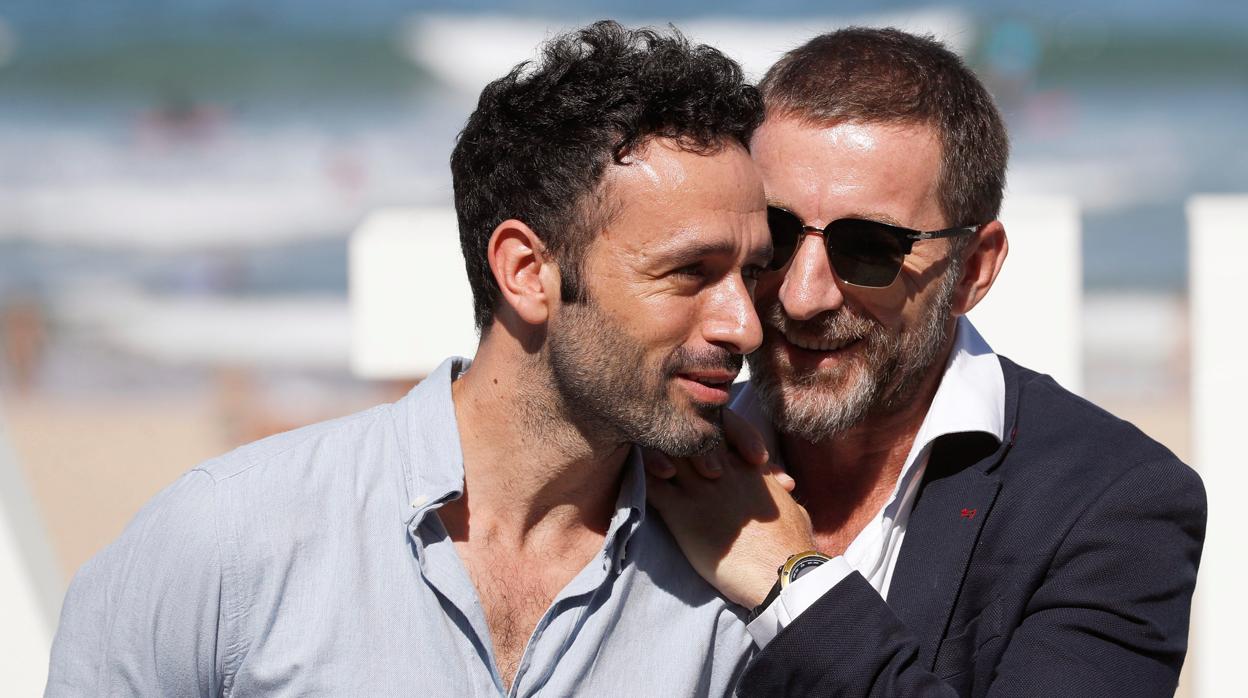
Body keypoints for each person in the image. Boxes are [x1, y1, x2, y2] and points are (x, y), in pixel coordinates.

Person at [45, 21, 772, 696]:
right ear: (526, 271)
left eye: (751, 274)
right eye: (691, 272)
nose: (745, 326)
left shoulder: (743, 574)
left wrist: (791, 585)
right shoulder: (228, 539)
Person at [647, 27, 1206, 696]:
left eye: (869, 248)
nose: (802, 296)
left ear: (973, 269)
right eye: (778, 231)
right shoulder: (655, 450)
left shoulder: (1110, 500)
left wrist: (790, 579)